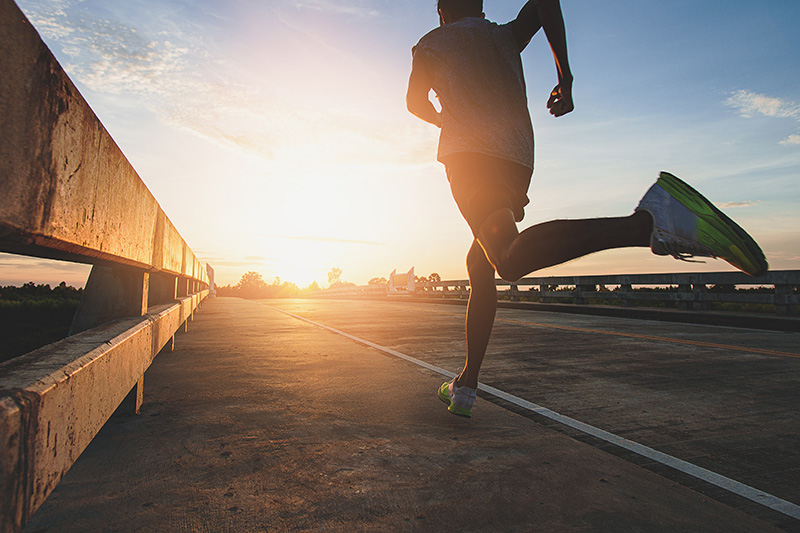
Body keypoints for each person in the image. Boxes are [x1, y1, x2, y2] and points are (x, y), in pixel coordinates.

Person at [407, 0, 768, 418]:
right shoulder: (502, 35)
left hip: (471, 157)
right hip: (516, 160)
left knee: (506, 257)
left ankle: (647, 222)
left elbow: (416, 103)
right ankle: (467, 385)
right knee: (481, 261)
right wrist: (566, 77)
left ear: (442, 10)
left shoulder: (432, 43)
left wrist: (447, 117)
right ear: (480, 5)